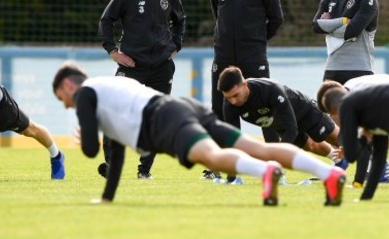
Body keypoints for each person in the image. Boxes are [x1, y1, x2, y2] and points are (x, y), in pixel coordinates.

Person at [51, 62, 346, 206]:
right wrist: (107, 198)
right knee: (252, 146)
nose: (65, 105)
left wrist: (84, 135)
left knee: (214, 158)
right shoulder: (106, 91)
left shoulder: (86, 95)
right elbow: (113, 150)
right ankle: (328, 173)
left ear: (68, 87)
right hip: (179, 107)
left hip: (163, 119)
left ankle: (266, 173)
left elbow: (91, 150)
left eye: (61, 98)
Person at [98, 0, 186, 180]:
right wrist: (113, 51)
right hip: (130, 66)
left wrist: (175, 46)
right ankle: (110, 165)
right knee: (114, 111)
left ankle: (144, 170)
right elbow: (106, 20)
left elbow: (180, 22)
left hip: (161, 67)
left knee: (156, 117)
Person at [209, 0, 284, 180]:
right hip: (223, 58)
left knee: (266, 110)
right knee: (221, 111)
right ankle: (228, 170)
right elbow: (217, 15)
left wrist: (256, 40)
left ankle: (275, 168)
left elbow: (276, 19)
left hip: (253, 57)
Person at [311, 0, 384, 188]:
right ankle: (339, 164)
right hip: (332, 68)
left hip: (359, 69)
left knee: (361, 122)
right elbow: (315, 26)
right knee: (330, 120)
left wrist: (331, 23)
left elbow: (354, 30)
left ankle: (378, 164)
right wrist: (343, 21)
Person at [217, 66, 342, 163]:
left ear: (244, 85)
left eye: (235, 95)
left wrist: (275, 156)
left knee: (336, 138)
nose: (233, 101)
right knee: (311, 146)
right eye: (228, 97)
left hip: (304, 110)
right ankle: (338, 161)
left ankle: (361, 155)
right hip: (281, 123)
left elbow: (292, 129)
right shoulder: (229, 103)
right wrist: (231, 178)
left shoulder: (270, 89)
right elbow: (233, 137)